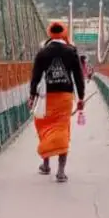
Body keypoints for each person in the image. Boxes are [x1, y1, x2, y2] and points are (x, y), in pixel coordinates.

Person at [27, 21, 85, 182]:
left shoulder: (42, 52)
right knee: (62, 129)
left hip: (46, 98)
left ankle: (45, 165)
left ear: (49, 33)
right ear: (64, 33)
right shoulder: (71, 51)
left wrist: (32, 96)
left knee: (45, 128)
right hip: (65, 97)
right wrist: (81, 98)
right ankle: (61, 171)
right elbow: (79, 77)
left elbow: (35, 77)